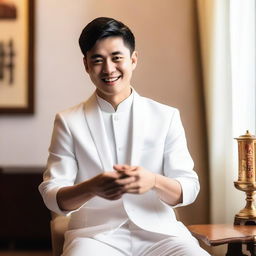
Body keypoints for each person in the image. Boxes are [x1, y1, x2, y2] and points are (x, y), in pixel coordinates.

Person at [39, 17, 210, 256]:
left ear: (133, 59)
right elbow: (51, 194)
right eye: (97, 60)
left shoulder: (166, 116)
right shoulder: (68, 121)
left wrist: (153, 181)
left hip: (162, 237)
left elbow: (189, 187)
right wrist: (92, 187)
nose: (108, 69)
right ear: (86, 65)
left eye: (117, 58)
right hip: (94, 238)